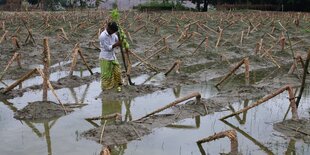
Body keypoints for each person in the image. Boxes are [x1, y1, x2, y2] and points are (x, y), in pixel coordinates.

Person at [99, 22, 122, 91]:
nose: (113, 33)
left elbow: (117, 40)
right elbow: (107, 48)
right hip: (105, 58)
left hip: (113, 56)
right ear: (109, 28)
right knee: (107, 75)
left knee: (117, 72)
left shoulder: (113, 34)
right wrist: (116, 44)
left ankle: (116, 85)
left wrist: (121, 39)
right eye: (113, 31)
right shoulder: (102, 36)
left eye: (114, 32)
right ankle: (106, 89)